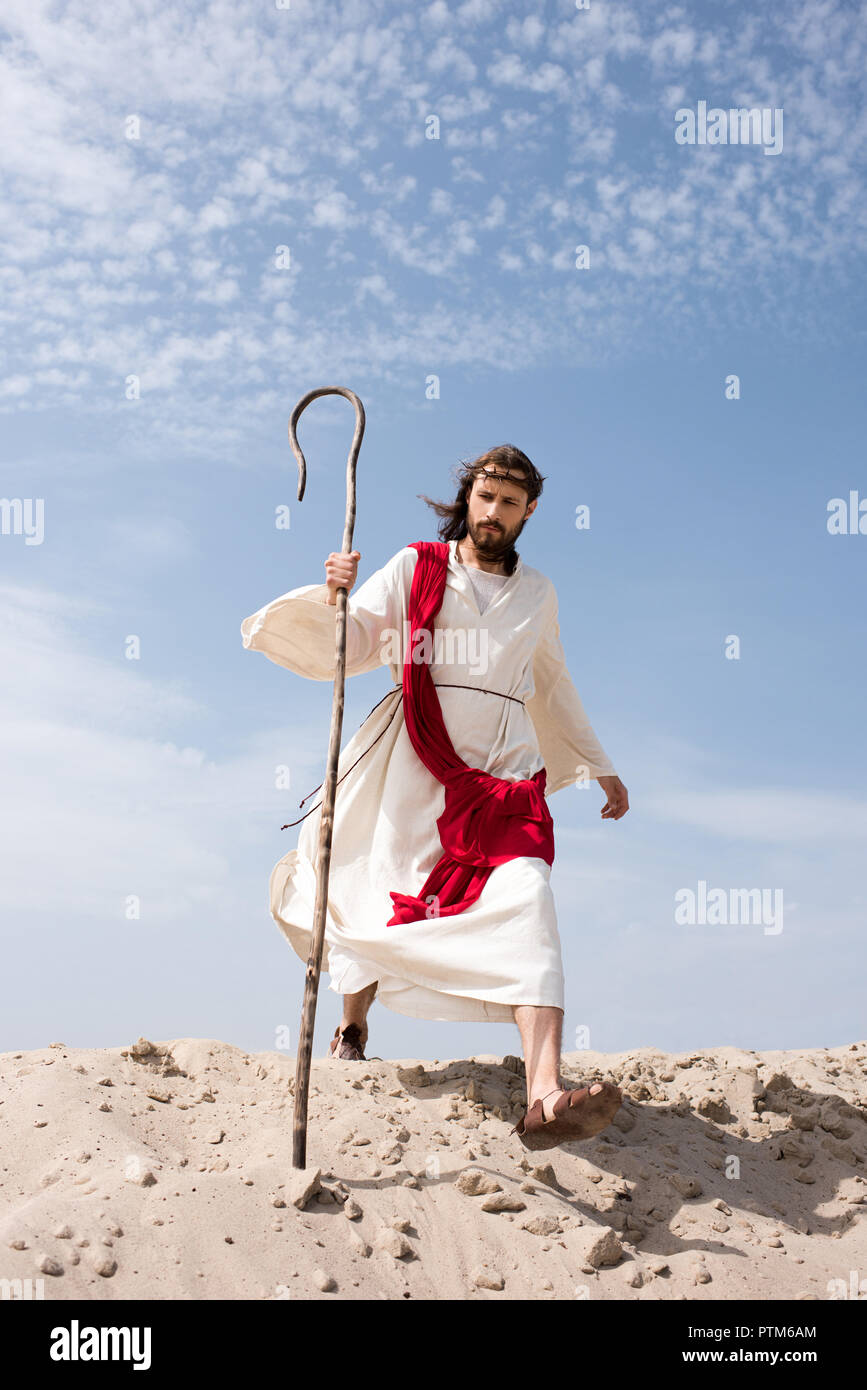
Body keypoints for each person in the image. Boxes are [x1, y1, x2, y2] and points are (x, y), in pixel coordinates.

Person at [240, 445, 629, 1149]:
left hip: (502, 776)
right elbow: (356, 644)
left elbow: (553, 678)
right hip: (411, 760)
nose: (493, 512)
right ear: (467, 499)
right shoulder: (417, 566)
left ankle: (543, 1093)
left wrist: (598, 765)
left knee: (527, 896)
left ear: (528, 512)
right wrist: (334, 596)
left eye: (509, 503)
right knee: (377, 892)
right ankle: (353, 1023)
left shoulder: (538, 591)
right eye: (485, 497)